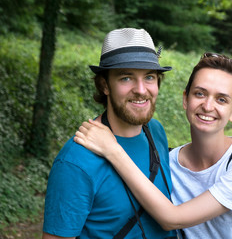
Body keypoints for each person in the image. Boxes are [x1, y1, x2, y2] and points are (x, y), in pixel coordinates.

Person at [75, 52, 232, 238]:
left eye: (221, 99)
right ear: (185, 99)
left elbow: (171, 218)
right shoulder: (167, 165)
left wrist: (112, 150)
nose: (208, 106)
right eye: (199, 94)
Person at [42, 28, 177, 239]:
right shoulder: (76, 161)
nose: (141, 90)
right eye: (126, 78)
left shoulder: (156, 131)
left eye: (149, 77)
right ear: (105, 85)